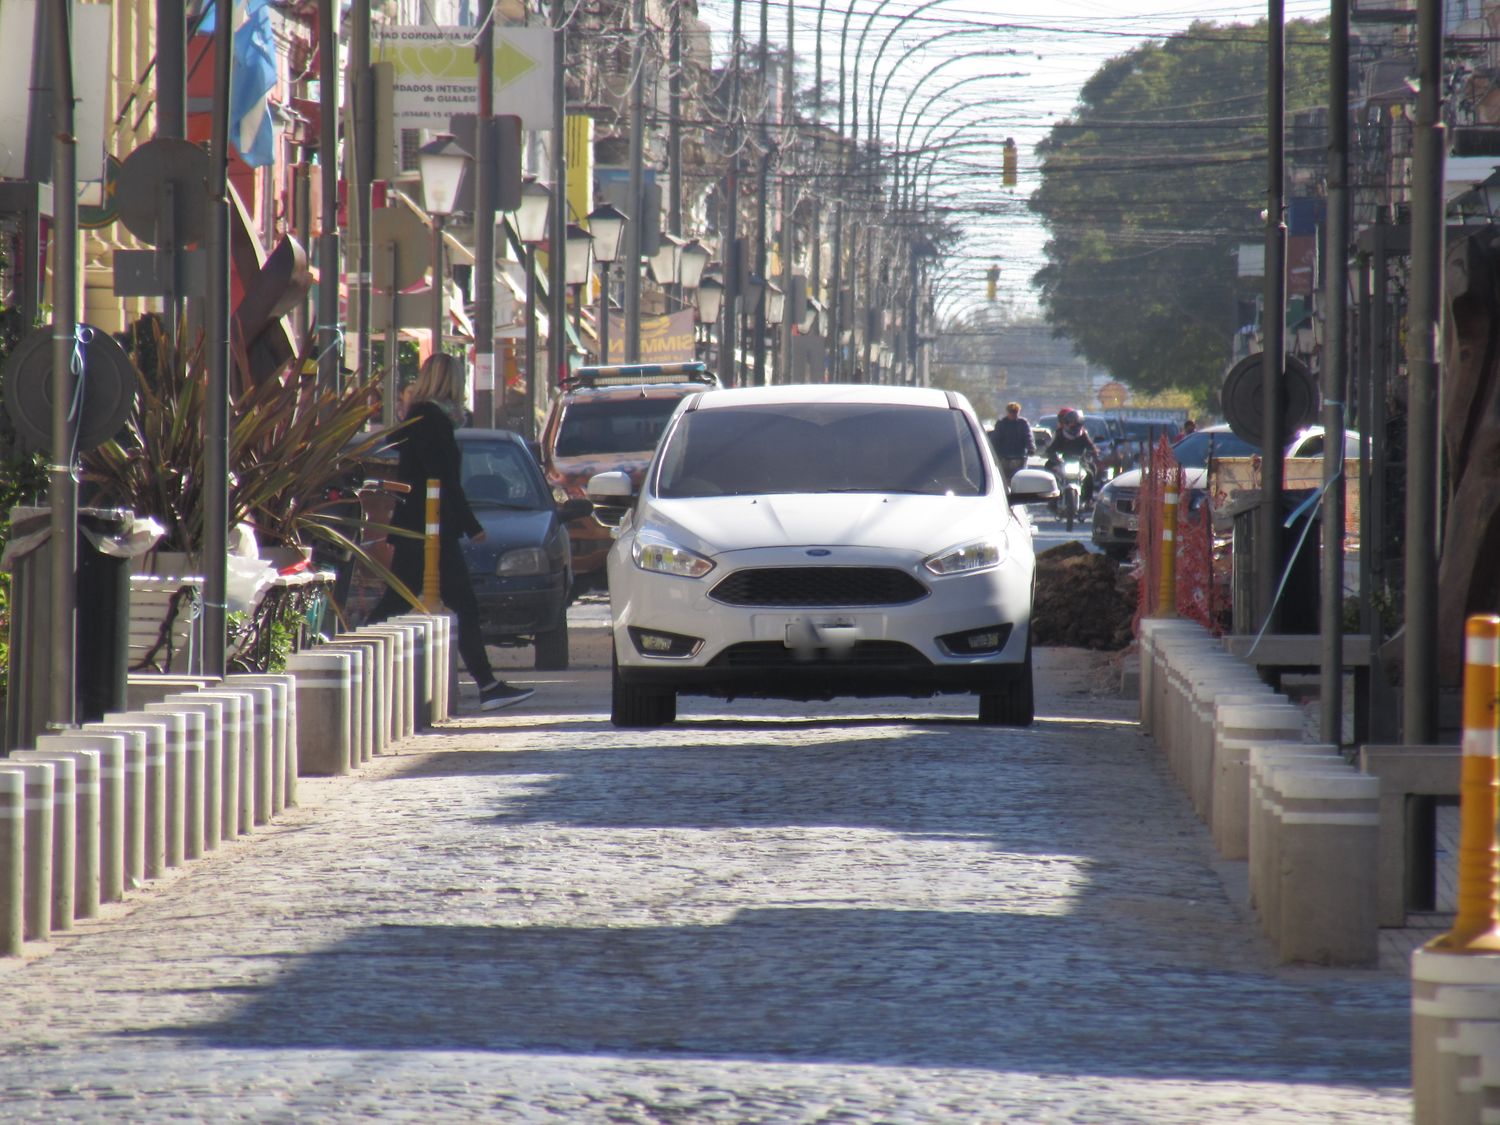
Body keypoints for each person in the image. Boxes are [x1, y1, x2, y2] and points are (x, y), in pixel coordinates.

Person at [367, 354, 534, 711]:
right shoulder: (431, 420)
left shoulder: (422, 417)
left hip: (424, 527)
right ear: (449, 383)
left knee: (413, 599)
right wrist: (471, 525)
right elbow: (441, 480)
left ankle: (487, 684)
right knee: (440, 601)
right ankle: (487, 685)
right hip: (428, 530)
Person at [1044, 407, 1101, 505]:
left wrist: (1094, 451)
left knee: (1090, 474)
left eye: (1076, 423)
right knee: (1050, 472)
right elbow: (1051, 449)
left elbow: (1090, 445)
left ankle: (1088, 499)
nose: (1073, 425)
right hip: (1063, 461)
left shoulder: (1083, 434)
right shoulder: (1060, 434)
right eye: (1070, 422)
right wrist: (1053, 456)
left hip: (1080, 461)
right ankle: (1053, 498)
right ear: (1065, 423)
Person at [988, 401, 1035, 483]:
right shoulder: (1001, 423)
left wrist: (1031, 448)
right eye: (1011, 412)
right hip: (1004, 458)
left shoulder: (1023, 423)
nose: (1013, 414)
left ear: (1018, 412)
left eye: (1015, 412)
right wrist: (992, 451)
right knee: (1003, 479)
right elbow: (995, 439)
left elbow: (1028, 436)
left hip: (1020, 457)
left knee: (1020, 479)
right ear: (1007, 412)